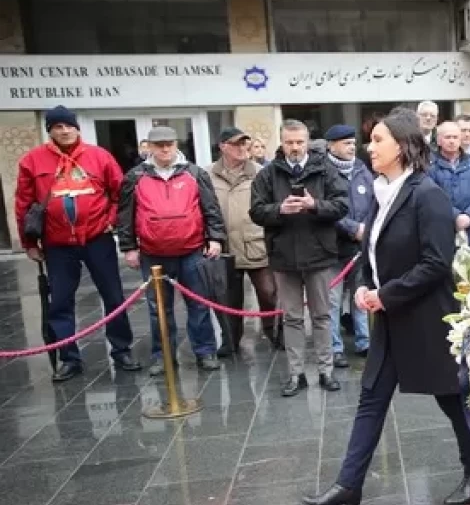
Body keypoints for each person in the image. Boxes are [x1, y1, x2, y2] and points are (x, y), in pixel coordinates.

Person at [303, 109, 470, 505]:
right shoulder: (381, 190)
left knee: (452, 400)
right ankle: (348, 485)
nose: (369, 148)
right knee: (371, 398)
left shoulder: (427, 194)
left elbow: (435, 262)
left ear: (404, 146)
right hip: (391, 318)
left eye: (378, 141)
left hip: (428, 319)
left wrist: (384, 295)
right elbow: (371, 251)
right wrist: (364, 289)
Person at [13, 105, 141, 381]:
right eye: (58, 126)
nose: (65, 130)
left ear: (76, 128)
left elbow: (121, 193)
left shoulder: (99, 156)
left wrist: (112, 221)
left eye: (69, 126)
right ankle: (69, 358)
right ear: (50, 131)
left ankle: (121, 350)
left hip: (97, 238)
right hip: (57, 244)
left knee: (114, 296)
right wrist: (30, 243)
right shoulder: (32, 161)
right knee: (60, 301)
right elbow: (24, 204)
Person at [250, 120, 350, 397]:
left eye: (299, 142)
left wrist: (314, 205)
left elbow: (342, 204)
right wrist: (279, 209)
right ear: (281, 143)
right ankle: (296, 374)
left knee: (321, 315)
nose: (295, 148)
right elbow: (256, 211)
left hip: (319, 254)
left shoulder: (325, 169)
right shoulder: (267, 174)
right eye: (289, 142)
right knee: (292, 317)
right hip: (283, 256)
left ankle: (326, 371)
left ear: (307, 142)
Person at [117, 126, 225, 375]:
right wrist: (129, 247)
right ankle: (161, 355)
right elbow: (125, 215)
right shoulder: (135, 177)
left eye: (169, 144)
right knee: (158, 309)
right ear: (150, 147)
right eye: (159, 145)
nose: (165, 149)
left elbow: (211, 208)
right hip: (153, 253)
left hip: (192, 250)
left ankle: (205, 351)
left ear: (176, 144)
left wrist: (216, 238)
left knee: (198, 305)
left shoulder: (195, 174)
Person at [209, 127, 279, 356]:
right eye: (236, 144)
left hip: (256, 244)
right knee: (228, 299)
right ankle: (230, 341)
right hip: (224, 248)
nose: (242, 148)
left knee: (269, 293)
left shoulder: (261, 172)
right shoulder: (207, 174)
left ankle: (275, 334)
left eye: (244, 144)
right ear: (223, 147)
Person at [325, 124, 374, 368]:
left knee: (360, 296)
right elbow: (325, 210)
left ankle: (364, 342)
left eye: (353, 143)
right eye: (345, 143)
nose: (351, 147)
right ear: (331, 146)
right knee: (332, 301)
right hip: (332, 248)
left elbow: (375, 202)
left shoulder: (363, 170)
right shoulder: (322, 172)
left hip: (359, 248)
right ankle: (335, 348)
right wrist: (353, 228)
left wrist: (366, 227)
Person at [429, 121, 470, 247]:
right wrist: (456, 216)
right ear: (439, 140)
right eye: (447, 137)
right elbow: (431, 198)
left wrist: (469, 215)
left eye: (455, 137)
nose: (452, 141)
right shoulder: (429, 167)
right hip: (442, 231)